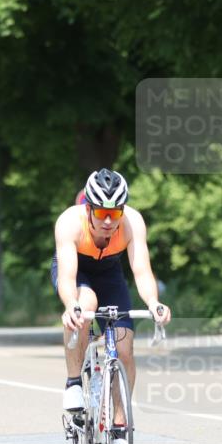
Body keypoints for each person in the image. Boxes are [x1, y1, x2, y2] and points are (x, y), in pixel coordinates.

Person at [51, 168, 171, 419]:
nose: (108, 221)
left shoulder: (133, 222)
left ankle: (118, 422)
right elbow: (67, 277)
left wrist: (153, 302)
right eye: (102, 213)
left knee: (124, 347)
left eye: (115, 213)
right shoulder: (69, 222)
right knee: (86, 304)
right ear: (88, 209)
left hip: (109, 272)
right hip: (76, 270)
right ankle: (74, 382)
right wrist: (71, 304)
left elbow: (142, 271)